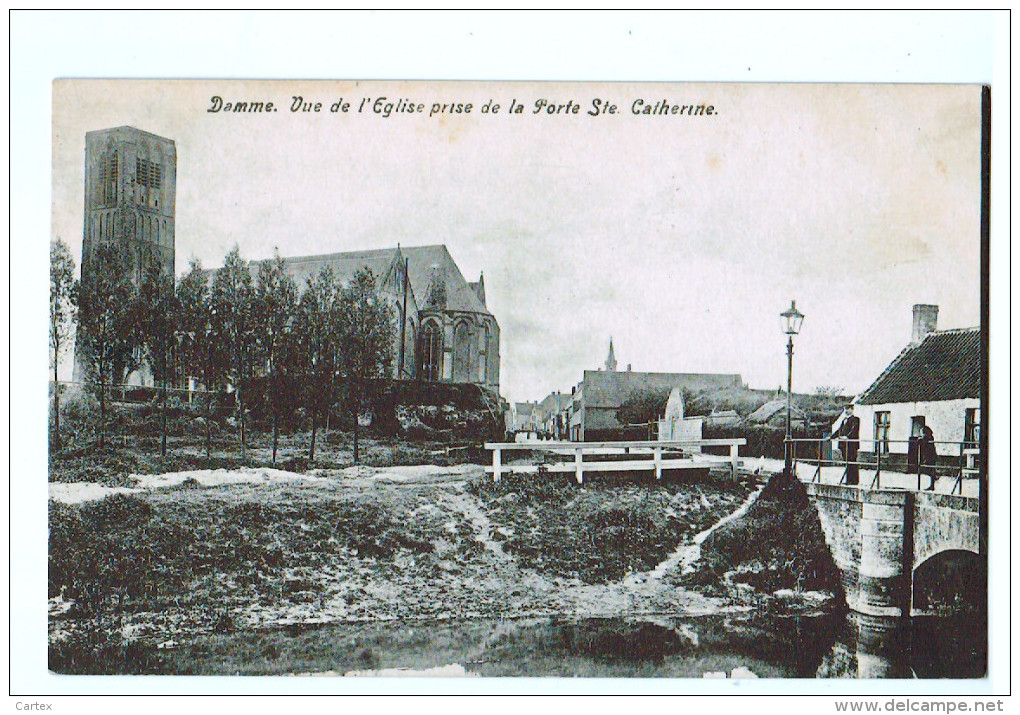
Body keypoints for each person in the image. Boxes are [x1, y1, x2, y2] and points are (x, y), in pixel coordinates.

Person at [831, 405, 860, 486]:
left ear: (852, 409)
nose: (846, 411)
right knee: (847, 462)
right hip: (844, 445)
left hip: (851, 445)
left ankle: (854, 481)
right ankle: (848, 480)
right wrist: (831, 437)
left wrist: (847, 437)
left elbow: (854, 429)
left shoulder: (855, 419)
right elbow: (839, 431)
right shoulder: (844, 420)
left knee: (852, 461)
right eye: (845, 409)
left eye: (848, 409)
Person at [920, 425, 938, 490]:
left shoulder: (927, 437)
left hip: (930, 455)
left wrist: (920, 439)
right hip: (931, 455)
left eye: (921, 432)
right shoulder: (930, 437)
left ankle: (935, 477)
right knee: (930, 469)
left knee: (928, 469)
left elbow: (923, 442)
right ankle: (932, 484)